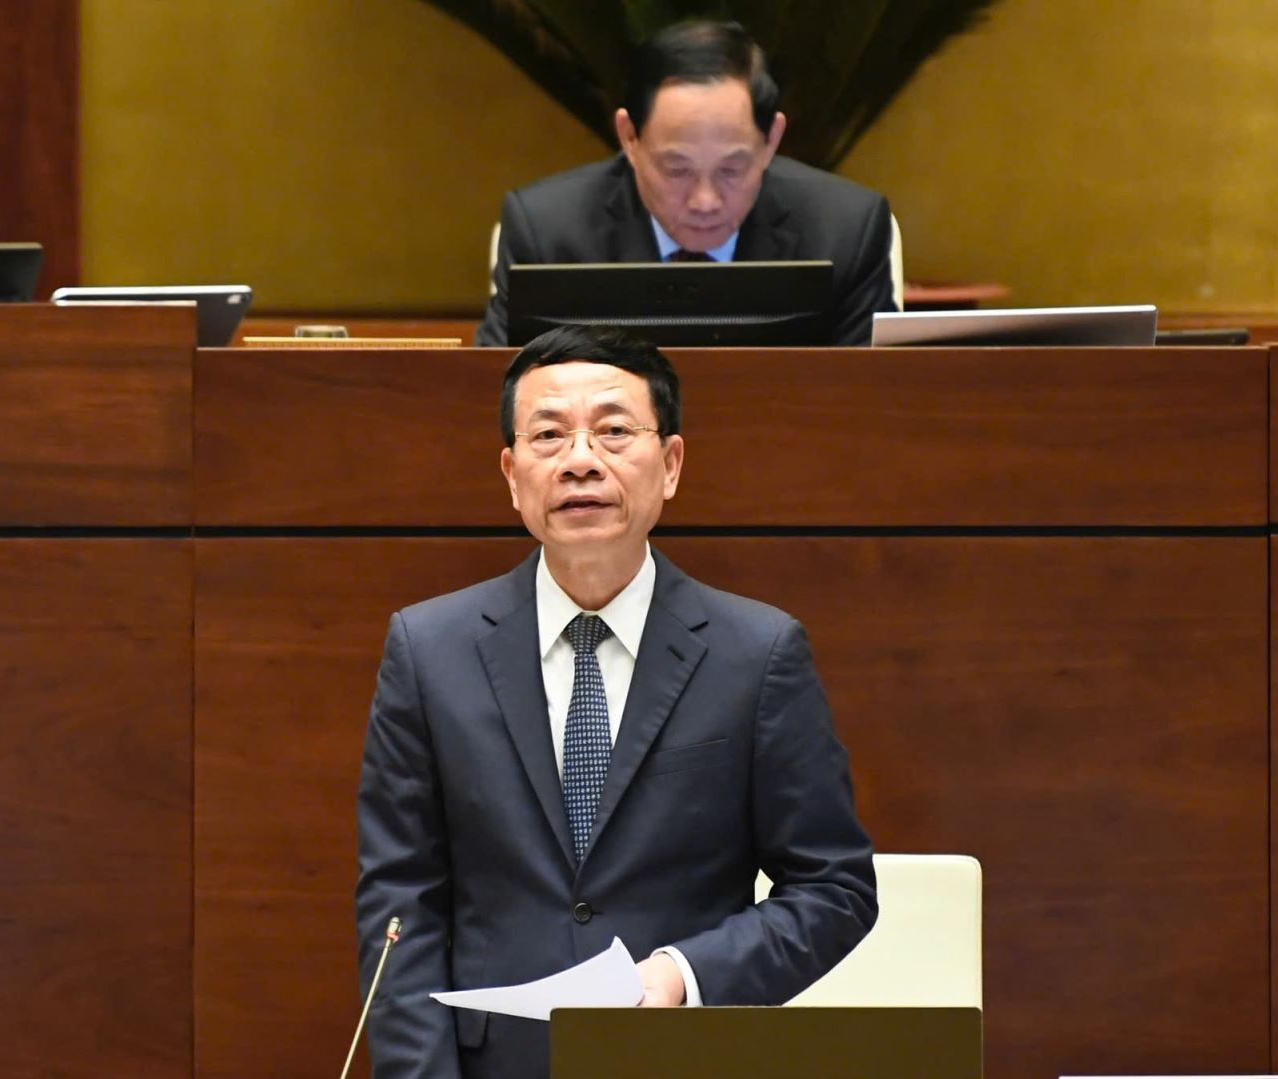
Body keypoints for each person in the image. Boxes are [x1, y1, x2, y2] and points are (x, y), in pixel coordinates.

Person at [355, 324, 877, 1078]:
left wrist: (683, 974)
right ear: (511, 474)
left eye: (613, 431)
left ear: (671, 465)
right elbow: (400, 902)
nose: (579, 460)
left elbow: (834, 887)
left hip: (685, 1060)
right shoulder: (428, 650)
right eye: (548, 435)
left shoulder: (756, 653)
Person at [473, 19, 898, 349]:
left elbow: (875, 398)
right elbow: (497, 396)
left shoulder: (845, 231)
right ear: (629, 138)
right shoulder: (548, 232)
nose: (705, 201)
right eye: (677, 170)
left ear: (771, 140)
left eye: (731, 170)